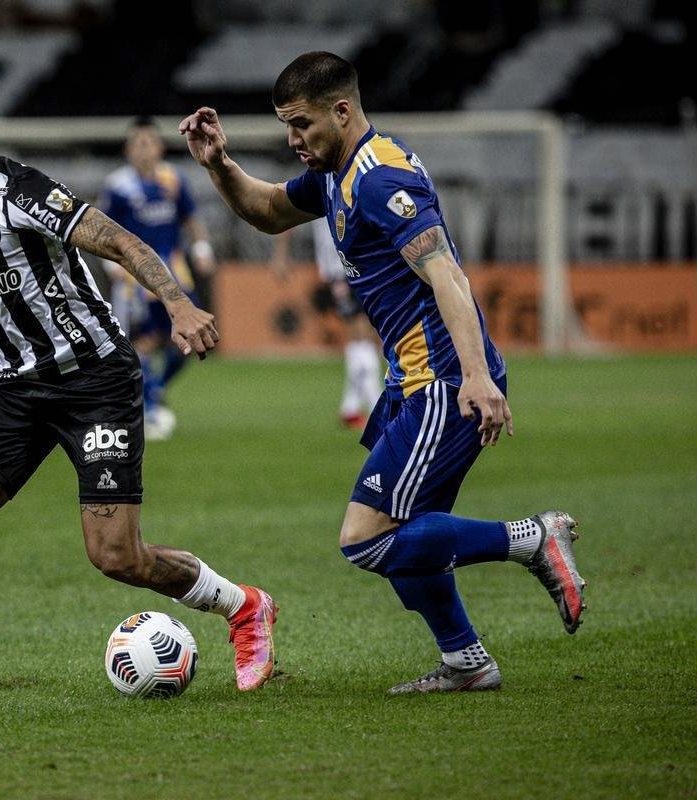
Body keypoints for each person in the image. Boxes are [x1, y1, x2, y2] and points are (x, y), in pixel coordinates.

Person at [181, 51, 586, 694]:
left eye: (302, 124)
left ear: (342, 111)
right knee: (408, 539)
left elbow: (446, 272)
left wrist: (476, 379)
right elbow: (265, 212)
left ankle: (533, 538)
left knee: (366, 538)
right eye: (286, 126)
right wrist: (220, 165)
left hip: (444, 382)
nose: (293, 140)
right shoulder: (335, 173)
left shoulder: (377, 177)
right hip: (410, 384)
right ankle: (466, 662)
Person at [0, 72, 277, 693]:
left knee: (116, 556)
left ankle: (246, 606)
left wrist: (178, 304)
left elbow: (117, 241)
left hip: (93, 380)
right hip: (14, 391)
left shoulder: (17, 190)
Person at [99, 117, 217, 440]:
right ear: (127, 149)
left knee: (189, 343)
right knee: (142, 342)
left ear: (159, 146)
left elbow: (190, 218)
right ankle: (149, 405)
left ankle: (157, 388)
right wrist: (112, 266)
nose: (143, 148)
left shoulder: (173, 180)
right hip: (135, 280)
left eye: (148, 142)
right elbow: (102, 229)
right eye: (137, 143)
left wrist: (202, 247)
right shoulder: (117, 186)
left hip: (176, 275)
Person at [272, 222, 381, 429]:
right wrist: (281, 255)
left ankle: (351, 408)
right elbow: (286, 210)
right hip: (345, 265)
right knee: (361, 332)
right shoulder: (323, 188)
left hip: (353, 262)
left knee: (362, 334)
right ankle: (377, 408)